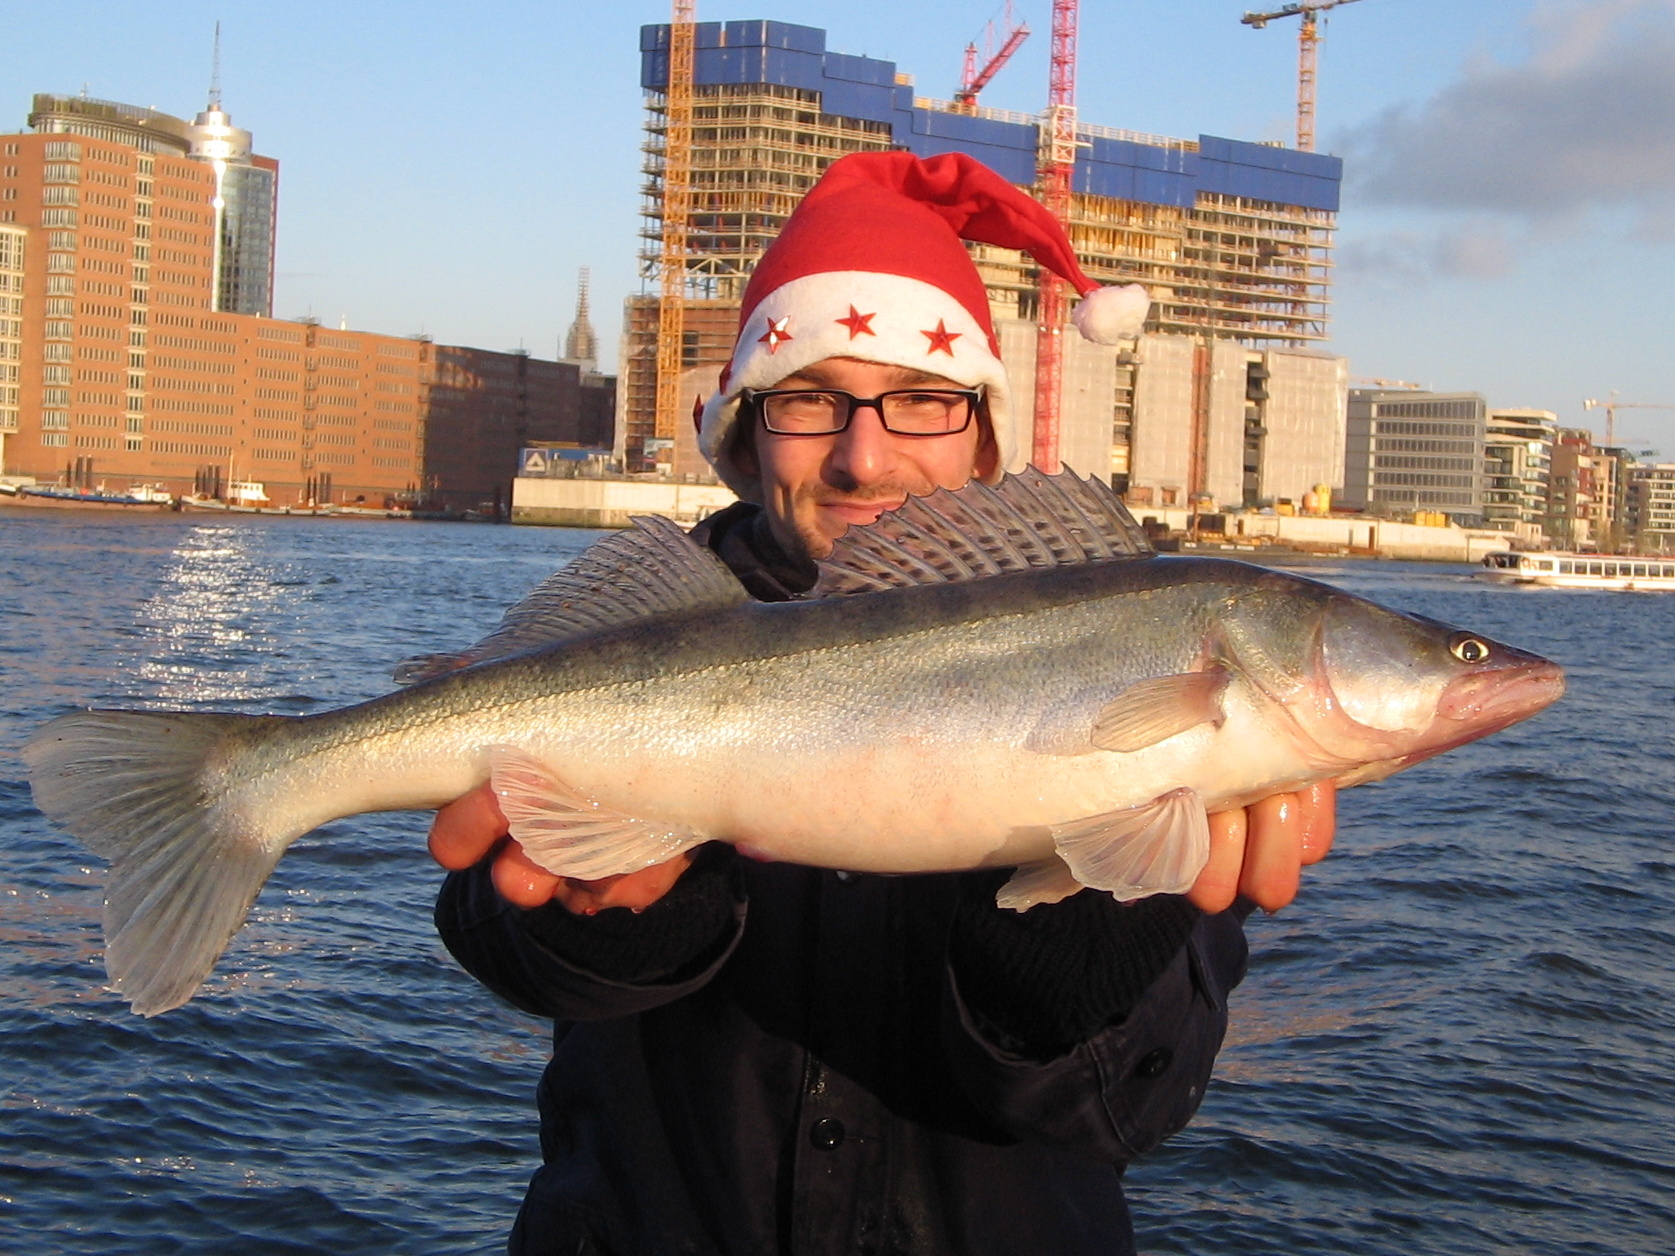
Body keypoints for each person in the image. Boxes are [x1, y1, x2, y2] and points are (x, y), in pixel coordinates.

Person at [430, 152, 1335, 1256]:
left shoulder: (1183, 701)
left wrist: (1084, 937)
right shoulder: (625, 641)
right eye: (811, 398)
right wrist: (622, 913)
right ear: (747, 432)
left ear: (983, 436)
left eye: (920, 399)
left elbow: (1131, 1109)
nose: (864, 456)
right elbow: (498, 940)